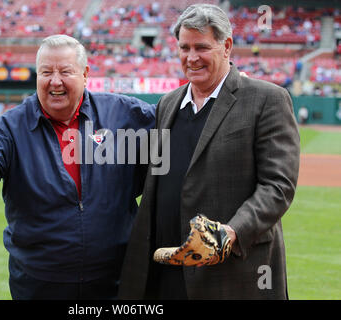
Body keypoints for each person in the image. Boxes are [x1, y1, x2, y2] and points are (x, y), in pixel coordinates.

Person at [0, 34, 155, 300]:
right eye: (46, 72)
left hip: (115, 281)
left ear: (85, 74)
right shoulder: (11, 126)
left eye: (65, 71)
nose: (55, 81)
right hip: (39, 284)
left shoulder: (122, 113)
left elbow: (175, 122)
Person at [118, 4, 300, 300]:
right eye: (184, 47)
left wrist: (229, 233)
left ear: (226, 46)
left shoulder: (267, 99)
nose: (191, 58)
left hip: (232, 274)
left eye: (201, 47)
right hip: (167, 268)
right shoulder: (168, 103)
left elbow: (278, 187)